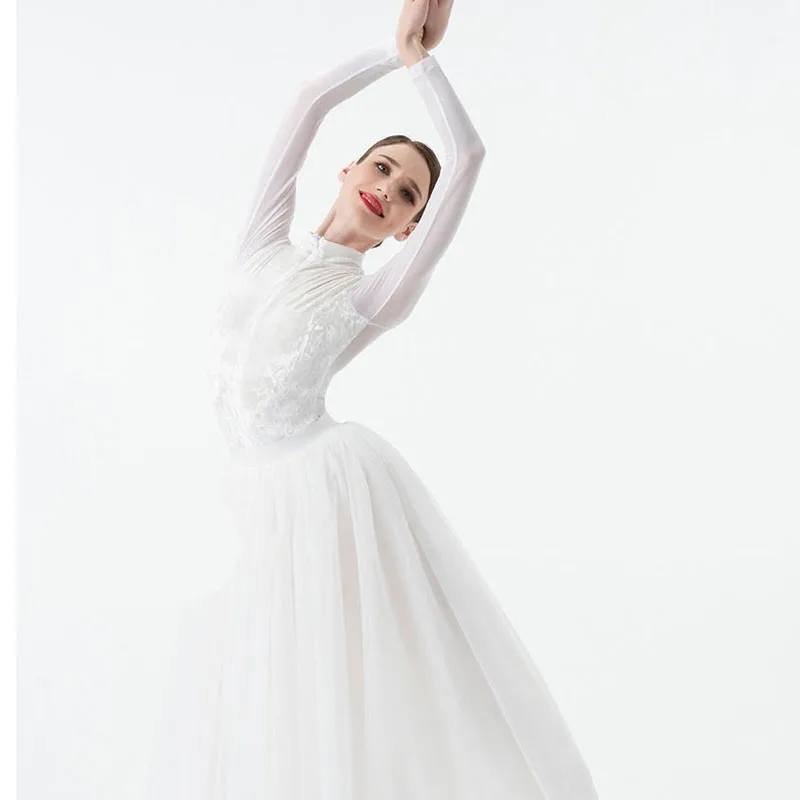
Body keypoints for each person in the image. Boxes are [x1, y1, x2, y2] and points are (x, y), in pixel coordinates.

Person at [145, 1, 599, 798]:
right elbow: (307, 102)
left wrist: (424, 67)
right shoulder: (262, 240)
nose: (389, 188)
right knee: (251, 698)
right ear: (347, 171)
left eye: (409, 193)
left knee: (330, 688)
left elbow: (470, 155)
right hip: (237, 503)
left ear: (408, 229)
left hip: (315, 500)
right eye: (382, 168)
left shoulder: (373, 297)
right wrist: (394, 50)